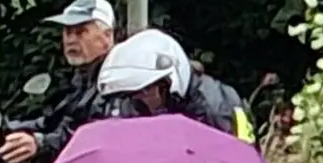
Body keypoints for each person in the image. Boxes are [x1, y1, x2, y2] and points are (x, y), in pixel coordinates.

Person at [0, 0, 115, 163]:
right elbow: (50, 124)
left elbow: (91, 140)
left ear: (107, 36)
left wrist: (40, 144)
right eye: (67, 31)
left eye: (80, 31)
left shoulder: (116, 81)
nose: (70, 39)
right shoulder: (80, 79)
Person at [96, 27, 250, 139]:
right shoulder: (134, 105)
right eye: (131, 94)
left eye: (145, 91)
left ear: (167, 86)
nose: (139, 99)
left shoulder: (215, 109)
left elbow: (236, 160)